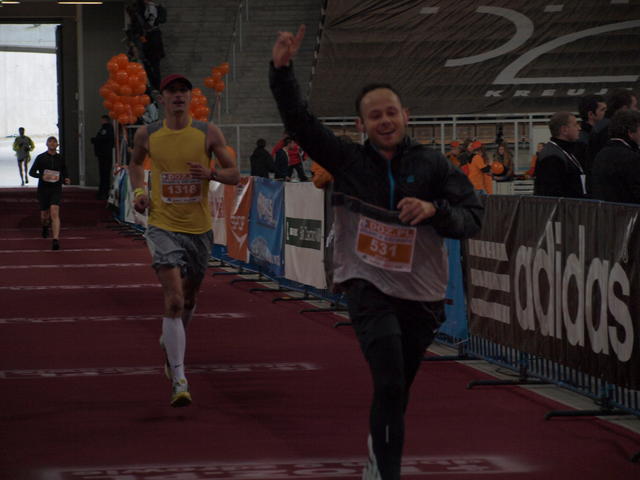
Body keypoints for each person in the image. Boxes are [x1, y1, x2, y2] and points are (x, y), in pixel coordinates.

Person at [270, 25, 483, 480]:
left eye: (391, 113)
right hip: (367, 286)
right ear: (360, 125)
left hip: (422, 295)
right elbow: (300, 123)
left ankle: (378, 449)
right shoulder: (347, 160)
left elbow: (472, 217)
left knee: (397, 390)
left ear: (406, 115)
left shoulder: (433, 164)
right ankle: (386, 472)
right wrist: (282, 70)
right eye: (374, 116)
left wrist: (434, 210)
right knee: (387, 381)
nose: (384, 121)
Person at [129, 73, 240, 407]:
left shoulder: (208, 133)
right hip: (162, 225)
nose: (178, 96)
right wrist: (139, 192)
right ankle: (178, 377)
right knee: (174, 299)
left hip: (199, 229)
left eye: (183, 91)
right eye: (172, 91)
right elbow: (135, 164)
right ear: (161, 98)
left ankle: (172, 339)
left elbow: (234, 174)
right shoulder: (148, 134)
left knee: (189, 299)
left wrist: (211, 173)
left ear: (191, 97)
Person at [28, 136, 70, 250]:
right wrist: (41, 176)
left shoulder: (60, 158)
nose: (52, 143)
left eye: (54, 142)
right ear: (47, 144)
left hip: (56, 188)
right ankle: (45, 226)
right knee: (44, 216)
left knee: (54, 212)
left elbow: (64, 171)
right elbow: (31, 172)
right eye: (50, 142)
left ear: (57, 145)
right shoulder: (40, 158)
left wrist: (66, 178)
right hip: (43, 189)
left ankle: (55, 240)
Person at [590, 109, 640, 203]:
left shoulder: (601, 154)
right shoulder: (631, 157)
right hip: (627, 209)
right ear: (630, 132)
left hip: (604, 209)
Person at [534, 112, 586, 198]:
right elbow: (551, 195)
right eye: (575, 125)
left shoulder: (564, 151)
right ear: (564, 130)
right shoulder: (551, 157)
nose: (579, 128)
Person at [91, 115, 115, 200]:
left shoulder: (107, 129)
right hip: (103, 154)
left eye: (102, 120)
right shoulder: (105, 129)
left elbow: (103, 138)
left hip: (105, 154)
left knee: (105, 174)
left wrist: (95, 140)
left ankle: (104, 192)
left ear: (105, 120)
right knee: (103, 174)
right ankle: (102, 191)